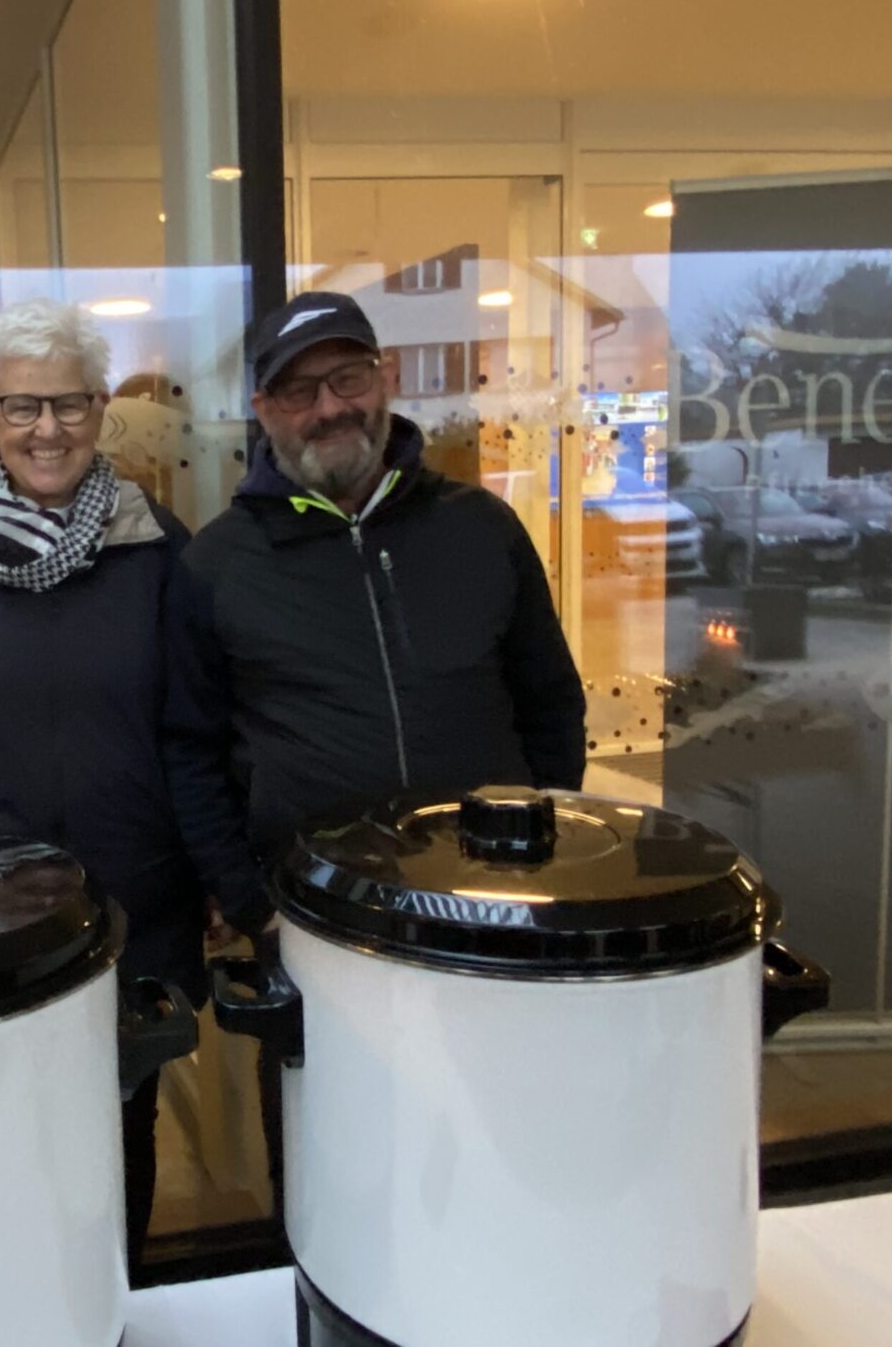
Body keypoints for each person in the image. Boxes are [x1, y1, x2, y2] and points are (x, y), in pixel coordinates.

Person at [167, 291, 588, 1203]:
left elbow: (551, 700)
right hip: (320, 934)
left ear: (386, 378)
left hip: (491, 925)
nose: (329, 408)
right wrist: (254, 904)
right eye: (298, 391)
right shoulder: (216, 567)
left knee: (499, 1157)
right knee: (335, 1176)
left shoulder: (480, 529)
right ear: (264, 410)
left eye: (347, 378)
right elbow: (189, 754)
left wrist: (541, 847)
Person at [0, 299, 220, 1269]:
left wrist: (211, 877)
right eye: (22, 407)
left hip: (133, 911)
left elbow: (197, 729)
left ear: (101, 409)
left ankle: (108, 1316)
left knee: (116, 1152)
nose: (47, 430)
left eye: (69, 404)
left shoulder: (157, 549)